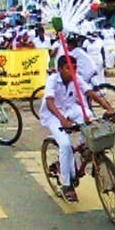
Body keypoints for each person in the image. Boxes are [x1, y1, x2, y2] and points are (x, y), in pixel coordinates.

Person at [39, 54, 93, 203]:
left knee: (91, 120)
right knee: (65, 145)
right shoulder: (52, 80)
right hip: (53, 114)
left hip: (70, 108)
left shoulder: (76, 78)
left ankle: (84, 149)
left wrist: (107, 107)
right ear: (60, 69)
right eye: (68, 68)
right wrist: (62, 119)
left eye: (74, 68)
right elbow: (50, 103)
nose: (72, 71)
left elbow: (89, 92)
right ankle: (67, 185)